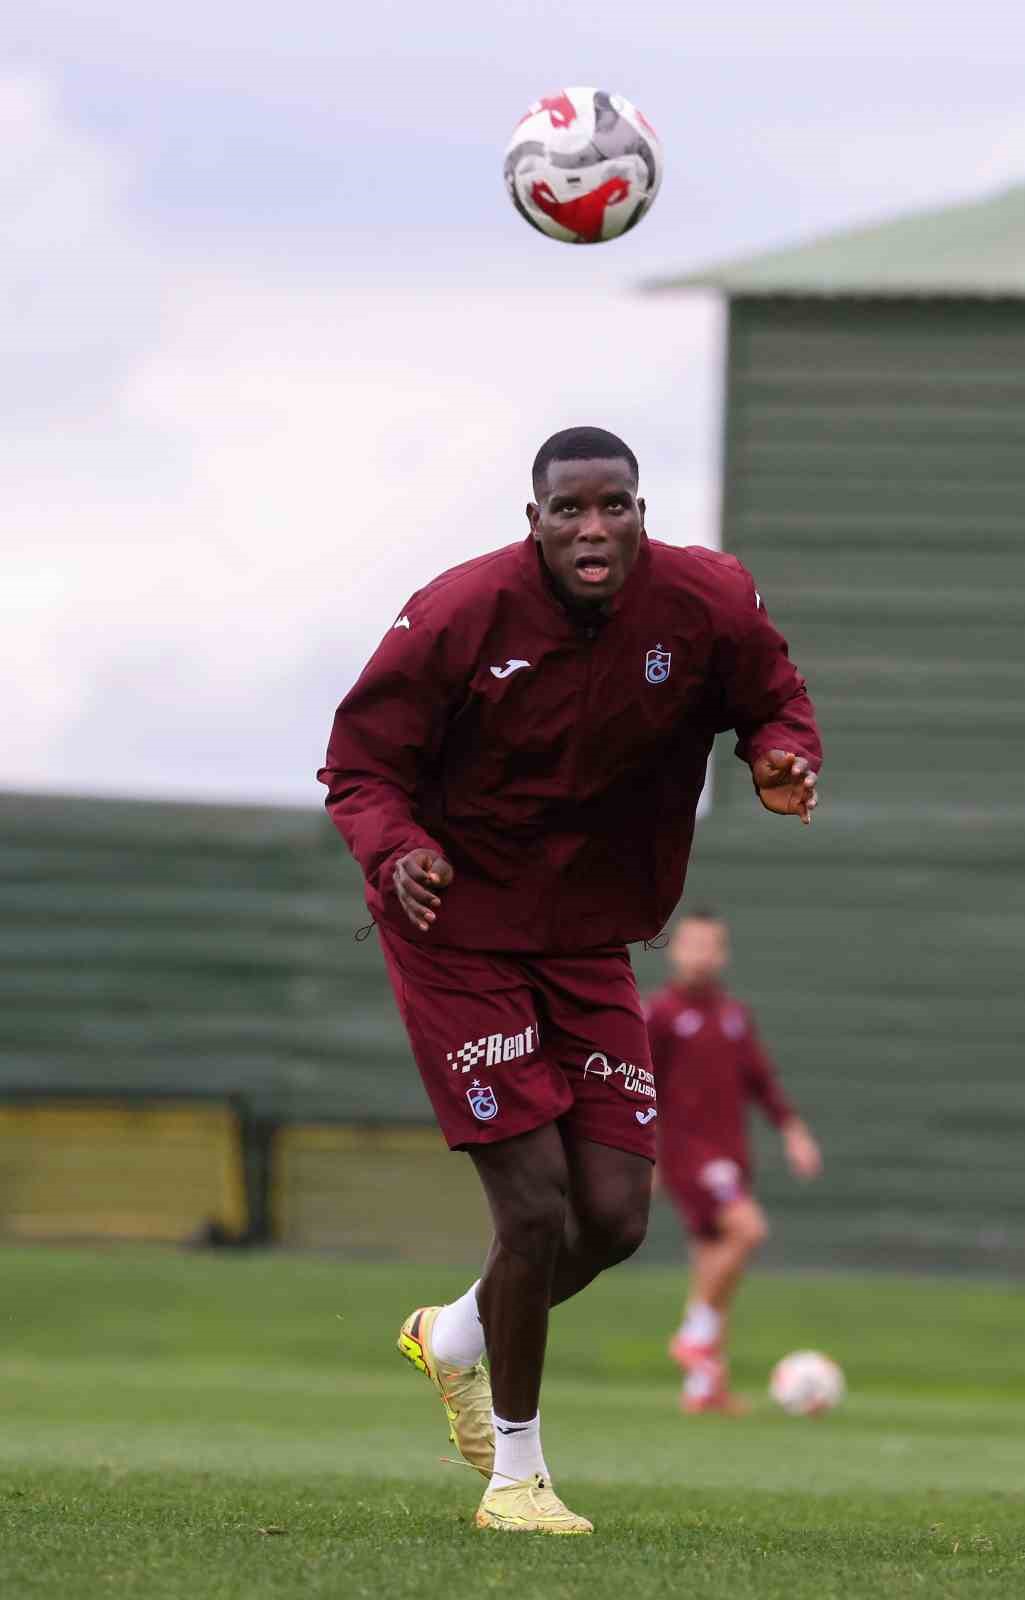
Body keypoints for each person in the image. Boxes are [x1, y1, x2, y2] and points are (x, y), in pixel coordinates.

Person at [318, 425, 822, 1535]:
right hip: (455, 929)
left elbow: (773, 696)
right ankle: (516, 1476)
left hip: (587, 932)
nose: (594, 529)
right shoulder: (458, 612)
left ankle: (451, 1335)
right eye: (570, 511)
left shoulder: (706, 601)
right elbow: (360, 764)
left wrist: (784, 754)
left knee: (614, 1218)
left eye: (616, 507)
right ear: (532, 519)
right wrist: (397, 852)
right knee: (537, 1206)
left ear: (642, 511)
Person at [646, 910, 823, 1414]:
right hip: (689, 1154)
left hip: (731, 1155)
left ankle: (704, 1389)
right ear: (676, 950)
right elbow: (637, 1085)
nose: (701, 955)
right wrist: (647, 1154)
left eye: (711, 946)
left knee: (712, 1268)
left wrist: (793, 1131)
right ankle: (694, 1337)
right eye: (692, 944)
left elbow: (761, 1081)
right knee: (747, 1231)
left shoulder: (733, 1014)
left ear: (722, 954)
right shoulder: (658, 1014)